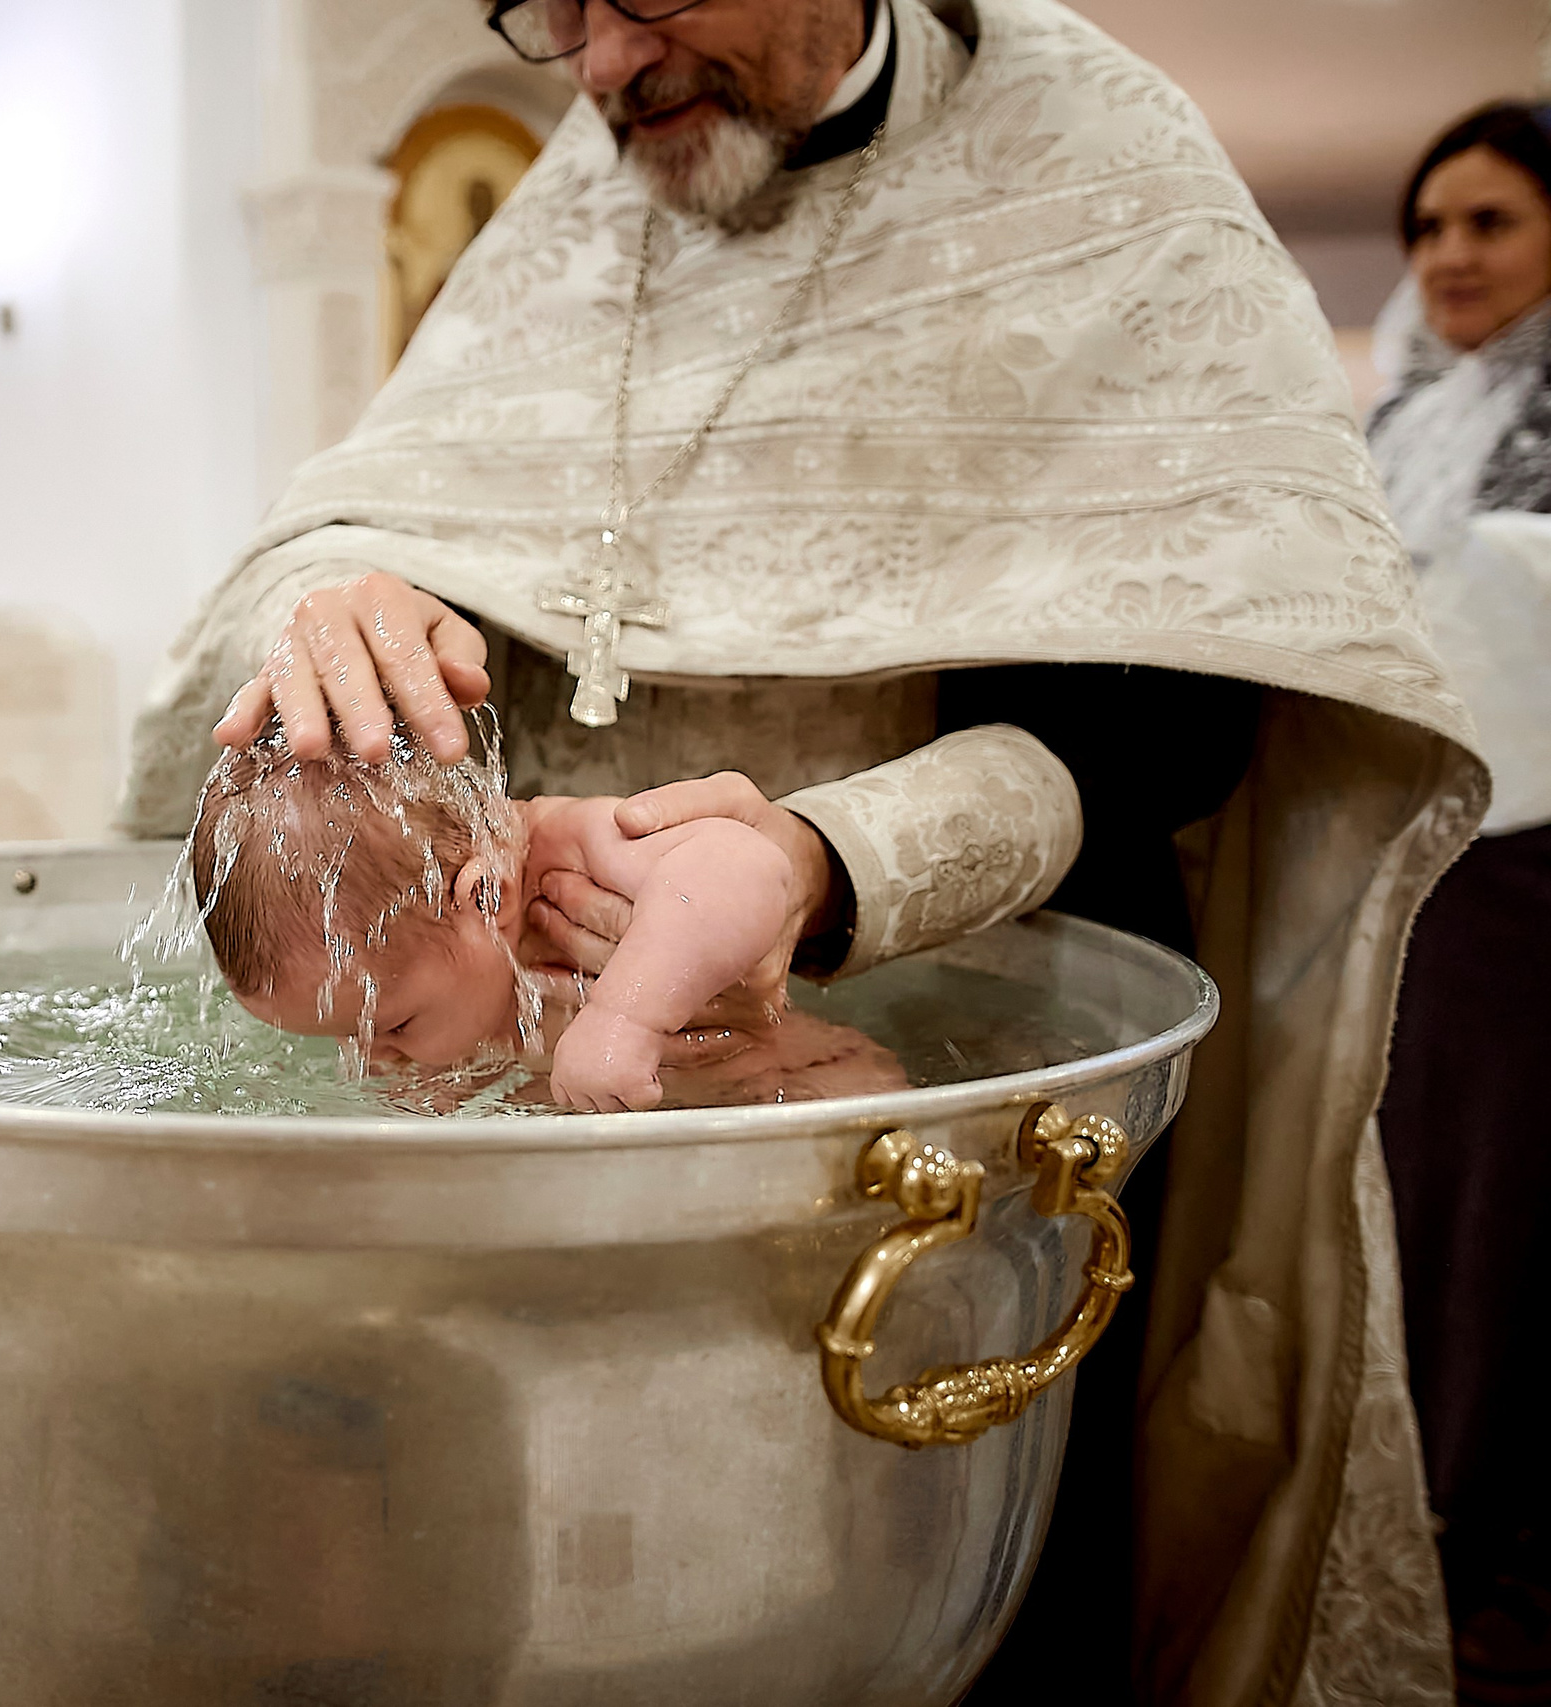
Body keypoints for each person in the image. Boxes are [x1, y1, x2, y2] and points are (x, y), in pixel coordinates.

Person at [124, 0, 1487, 1701]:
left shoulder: (1098, 162)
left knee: (939, 1598)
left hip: (952, 1056)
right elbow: (364, 518)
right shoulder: (580, 194)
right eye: (549, 12)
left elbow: (1184, 695)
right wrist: (356, 604)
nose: (604, 66)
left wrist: (827, 862)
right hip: (552, 1128)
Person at [1364, 102, 1551, 1697]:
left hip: (1537, 862)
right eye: (1430, 228)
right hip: (1423, 854)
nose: (1449, 257)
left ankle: (1500, 1552)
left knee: (1509, 1198)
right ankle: (1428, 1506)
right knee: (1420, 1176)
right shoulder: (1415, 411)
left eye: (1489, 221)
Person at [193, 723, 906, 1108]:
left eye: (391, 1023)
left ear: (482, 897)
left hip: (807, 1093)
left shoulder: (575, 851)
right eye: (344, 1035)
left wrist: (625, 1018)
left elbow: (746, 867)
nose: (368, 1055)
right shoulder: (450, 946)